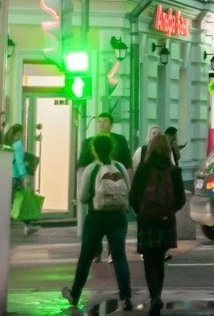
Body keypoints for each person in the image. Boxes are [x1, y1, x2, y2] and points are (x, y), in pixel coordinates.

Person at [63, 134, 134, 311]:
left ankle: (75, 294)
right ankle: (126, 297)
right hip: (118, 216)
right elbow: (128, 190)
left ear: (94, 150)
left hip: (96, 217)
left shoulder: (91, 169)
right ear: (112, 149)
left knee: (86, 257)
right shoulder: (119, 167)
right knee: (119, 257)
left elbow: (82, 196)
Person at [130, 133, 185, 315]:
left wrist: (142, 211)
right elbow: (181, 199)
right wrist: (169, 210)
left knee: (149, 260)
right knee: (160, 260)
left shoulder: (144, 169)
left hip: (147, 220)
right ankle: (157, 295)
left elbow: (133, 196)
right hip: (166, 220)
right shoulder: (174, 170)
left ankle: (155, 297)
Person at [6, 124, 39, 235]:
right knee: (22, 202)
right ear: (19, 132)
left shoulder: (8, 143)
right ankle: (27, 226)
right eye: (22, 132)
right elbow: (20, 162)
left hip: (8, 177)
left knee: (13, 202)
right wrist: (25, 176)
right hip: (16, 177)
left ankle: (26, 225)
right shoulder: (18, 145)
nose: (23, 134)